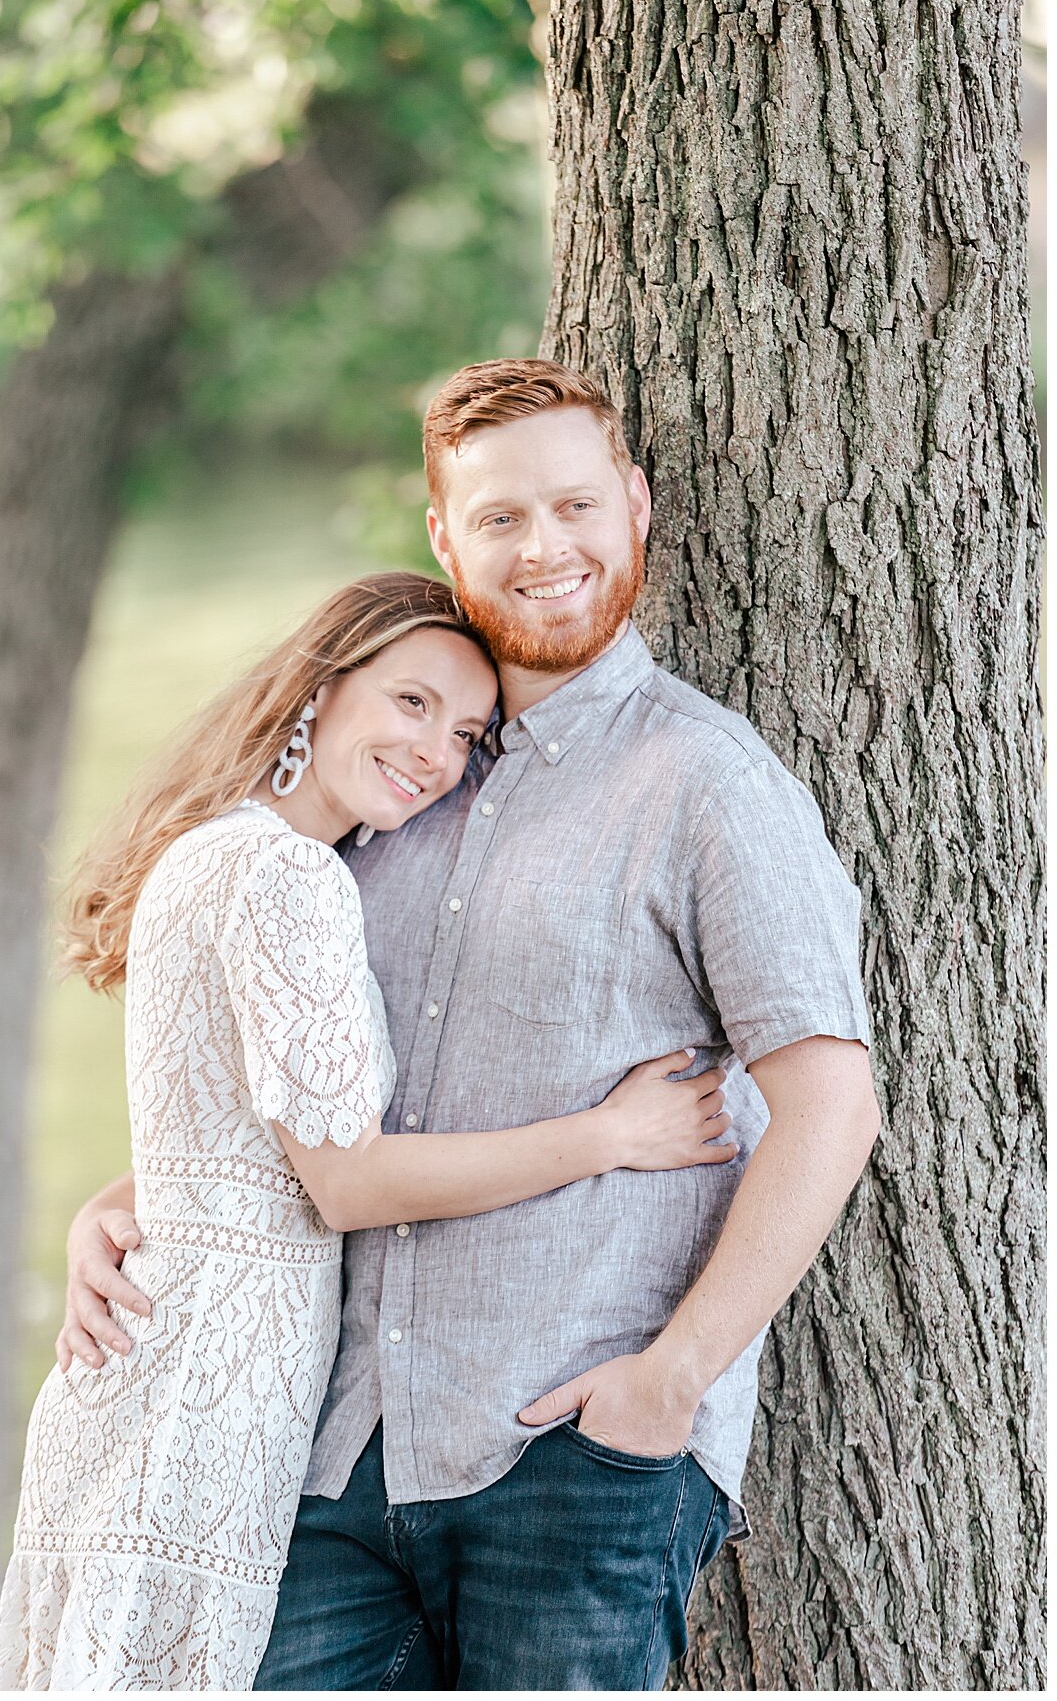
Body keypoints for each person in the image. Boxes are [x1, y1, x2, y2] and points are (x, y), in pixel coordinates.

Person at [62, 360, 881, 1691]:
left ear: (634, 506)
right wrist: (133, 1195)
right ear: (445, 534)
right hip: (338, 1454)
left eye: (574, 507)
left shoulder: (707, 782)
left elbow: (833, 1104)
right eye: (500, 517)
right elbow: (323, 1095)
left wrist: (672, 1380)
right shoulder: (403, 771)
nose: (543, 547)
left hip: (568, 1453)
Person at [0, 570, 738, 1691]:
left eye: (468, 731)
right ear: (320, 690)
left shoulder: (228, 850)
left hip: (181, 1352)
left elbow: (223, 1142)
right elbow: (343, 1183)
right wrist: (610, 1132)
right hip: (213, 1380)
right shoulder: (287, 875)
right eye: (411, 703)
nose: (437, 750)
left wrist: (113, 1203)